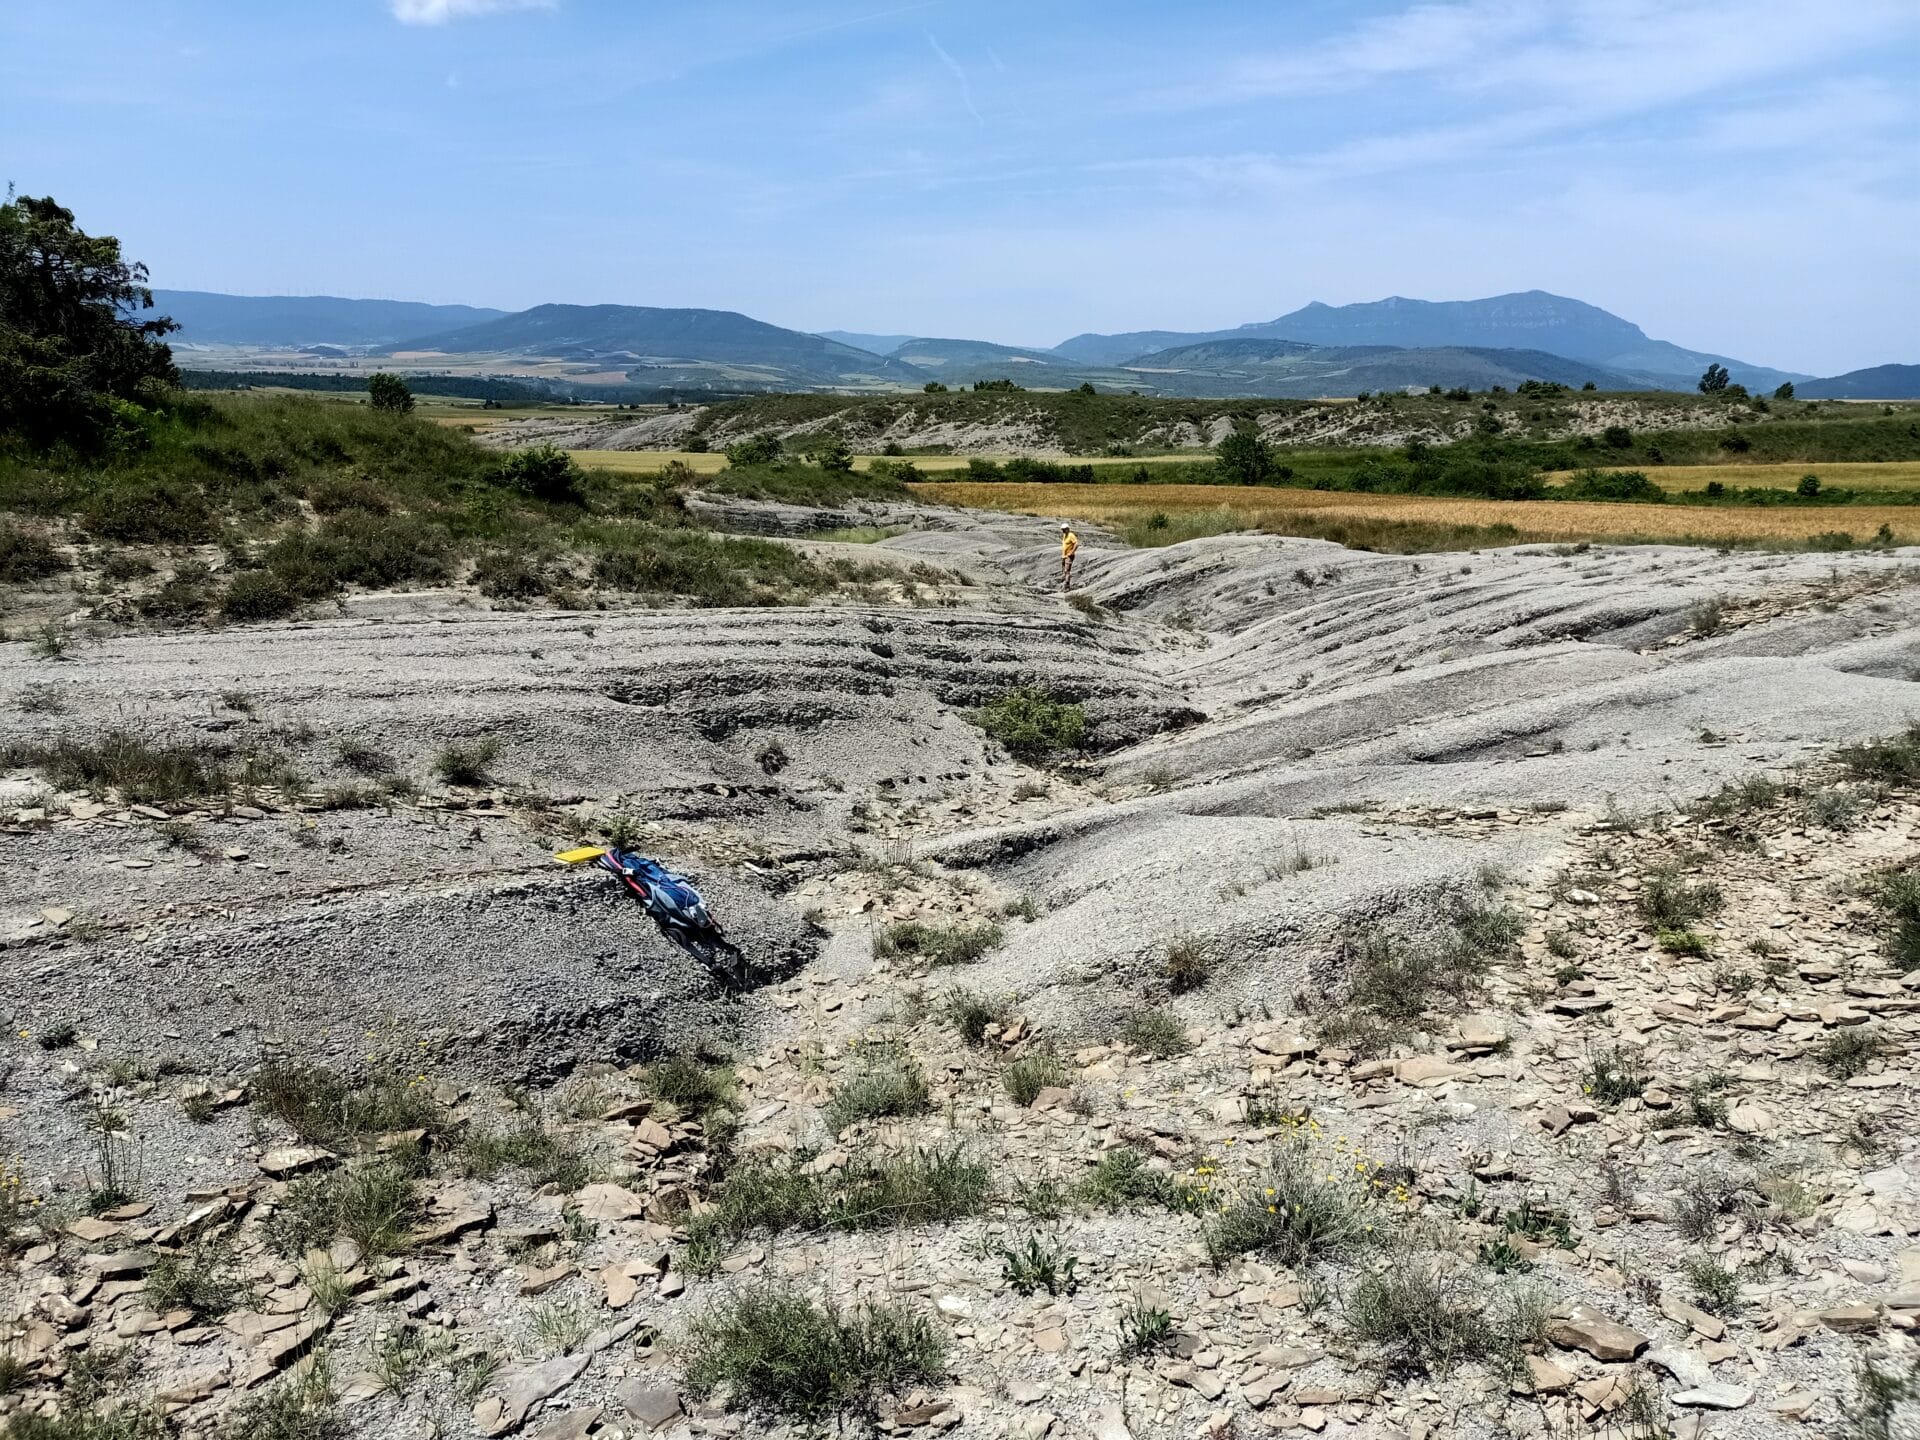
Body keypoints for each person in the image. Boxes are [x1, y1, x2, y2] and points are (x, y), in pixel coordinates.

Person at [1059, 521, 1080, 588]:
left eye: (1064, 529)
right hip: (1064, 556)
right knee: (1064, 571)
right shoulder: (1065, 535)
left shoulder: (1071, 535)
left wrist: (1072, 552)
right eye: (1062, 529)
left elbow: (1076, 544)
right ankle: (1065, 582)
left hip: (1069, 556)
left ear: (1067, 529)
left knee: (1066, 571)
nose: (1063, 531)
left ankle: (1067, 585)